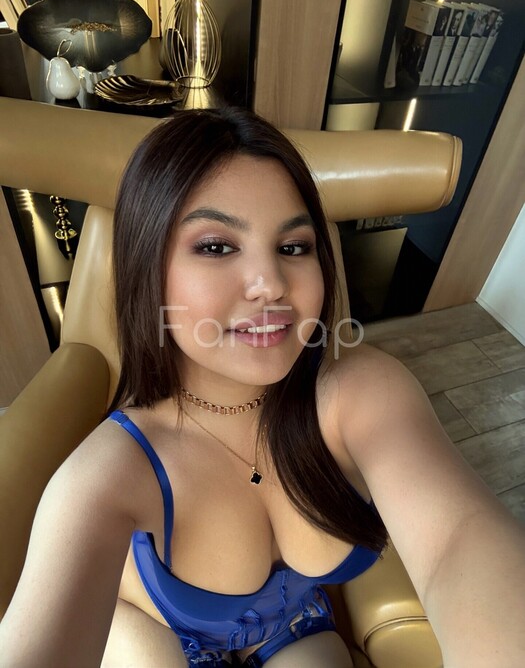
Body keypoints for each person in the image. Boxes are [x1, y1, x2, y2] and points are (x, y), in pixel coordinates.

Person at [0, 107, 524, 668]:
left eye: (293, 247)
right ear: (147, 269)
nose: (271, 284)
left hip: (292, 624)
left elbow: (457, 540)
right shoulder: (108, 472)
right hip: (155, 631)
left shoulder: (359, 393)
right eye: (216, 246)